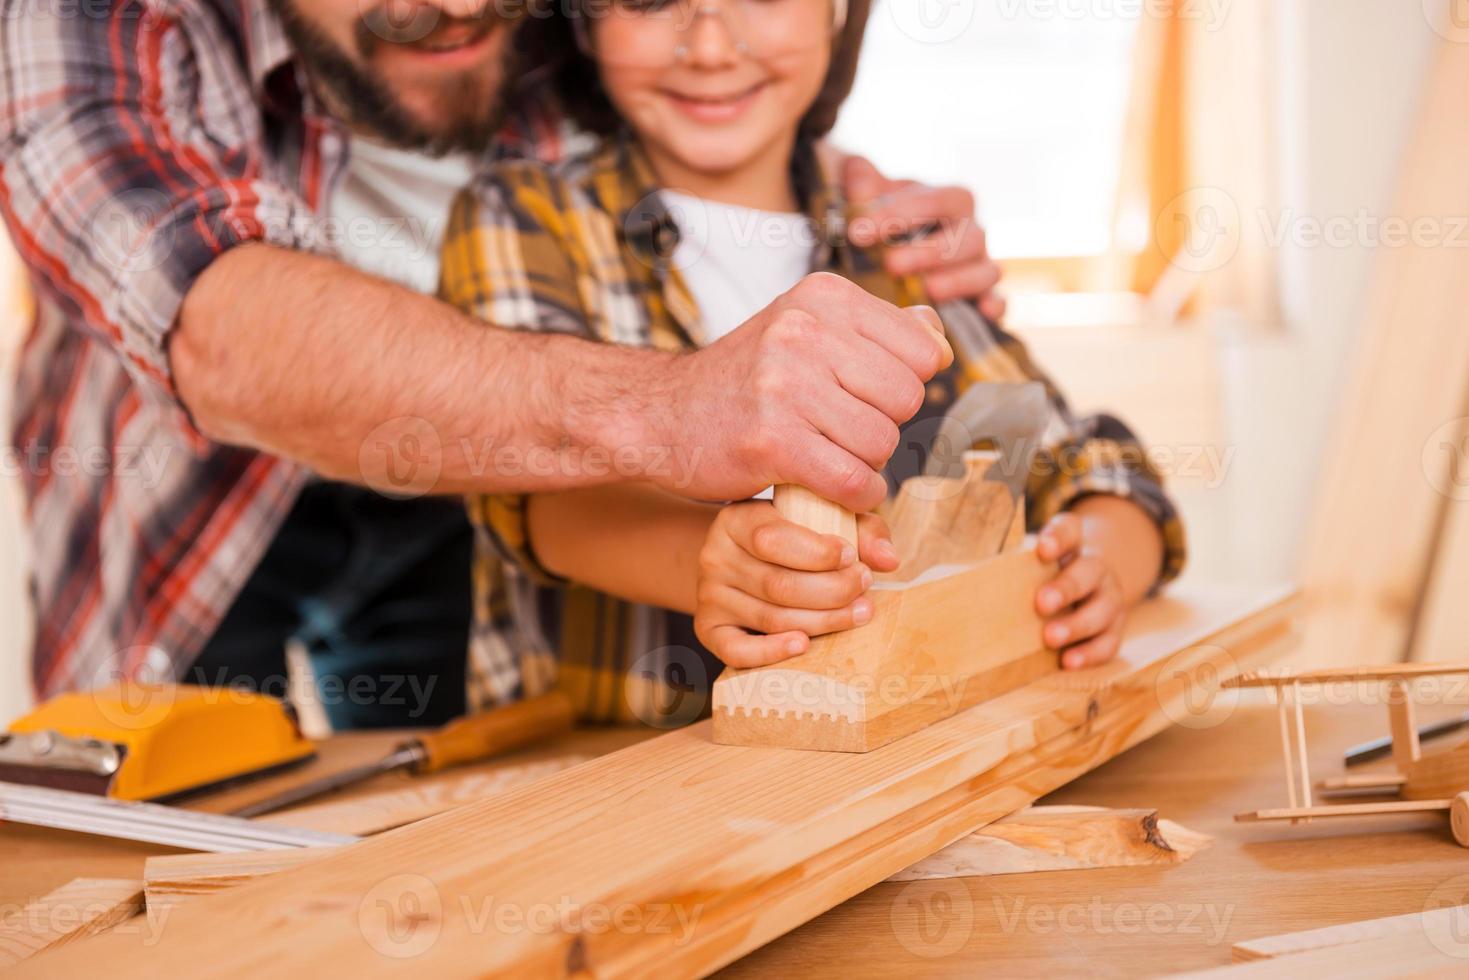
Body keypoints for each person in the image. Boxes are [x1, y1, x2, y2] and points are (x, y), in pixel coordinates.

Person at [0, 0, 1005, 726]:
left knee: (420, 835)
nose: (463, 7)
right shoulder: (78, 24)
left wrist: (837, 199)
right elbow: (216, 323)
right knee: (166, 845)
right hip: (178, 510)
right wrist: (668, 406)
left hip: (484, 483)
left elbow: (704, 102)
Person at [439, 0, 1188, 724]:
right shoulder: (520, 214)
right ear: (581, 17)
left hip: (880, 772)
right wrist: (718, 561)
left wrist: (1096, 566)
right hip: (597, 777)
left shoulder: (894, 230)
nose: (708, 47)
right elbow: (539, 499)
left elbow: (1089, 464)